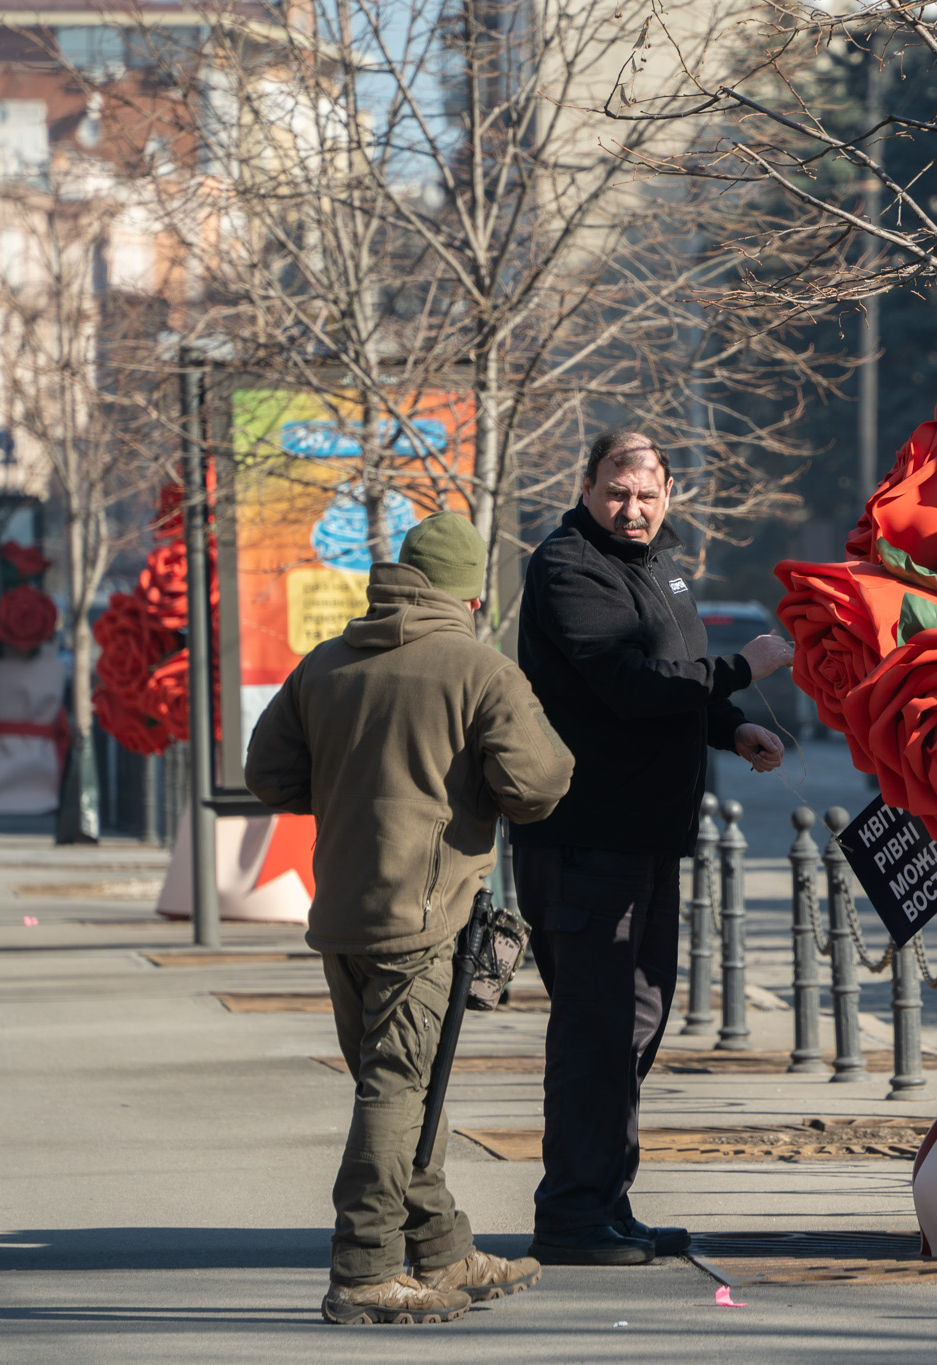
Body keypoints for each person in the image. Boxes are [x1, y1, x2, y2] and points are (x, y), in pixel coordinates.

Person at [245, 511, 575, 1324]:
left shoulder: (324, 664)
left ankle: (445, 1251)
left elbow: (267, 773)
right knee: (396, 1089)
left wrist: (352, 788)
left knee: (400, 1084)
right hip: (425, 920)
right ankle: (364, 1267)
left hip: (342, 915)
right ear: (471, 596)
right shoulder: (480, 671)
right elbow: (537, 786)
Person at [513, 429, 793, 1266]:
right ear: (588, 486)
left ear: (669, 490)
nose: (630, 509)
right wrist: (741, 671)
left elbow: (675, 675)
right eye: (614, 492)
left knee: (635, 1026)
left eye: (645, 493)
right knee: (595, 1032)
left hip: (646, 840)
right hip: (585, 839)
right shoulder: (568, 567)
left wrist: (729, 724)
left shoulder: (664, 565)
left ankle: (607, 1201)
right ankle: (569, 1214)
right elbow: (629, 685)